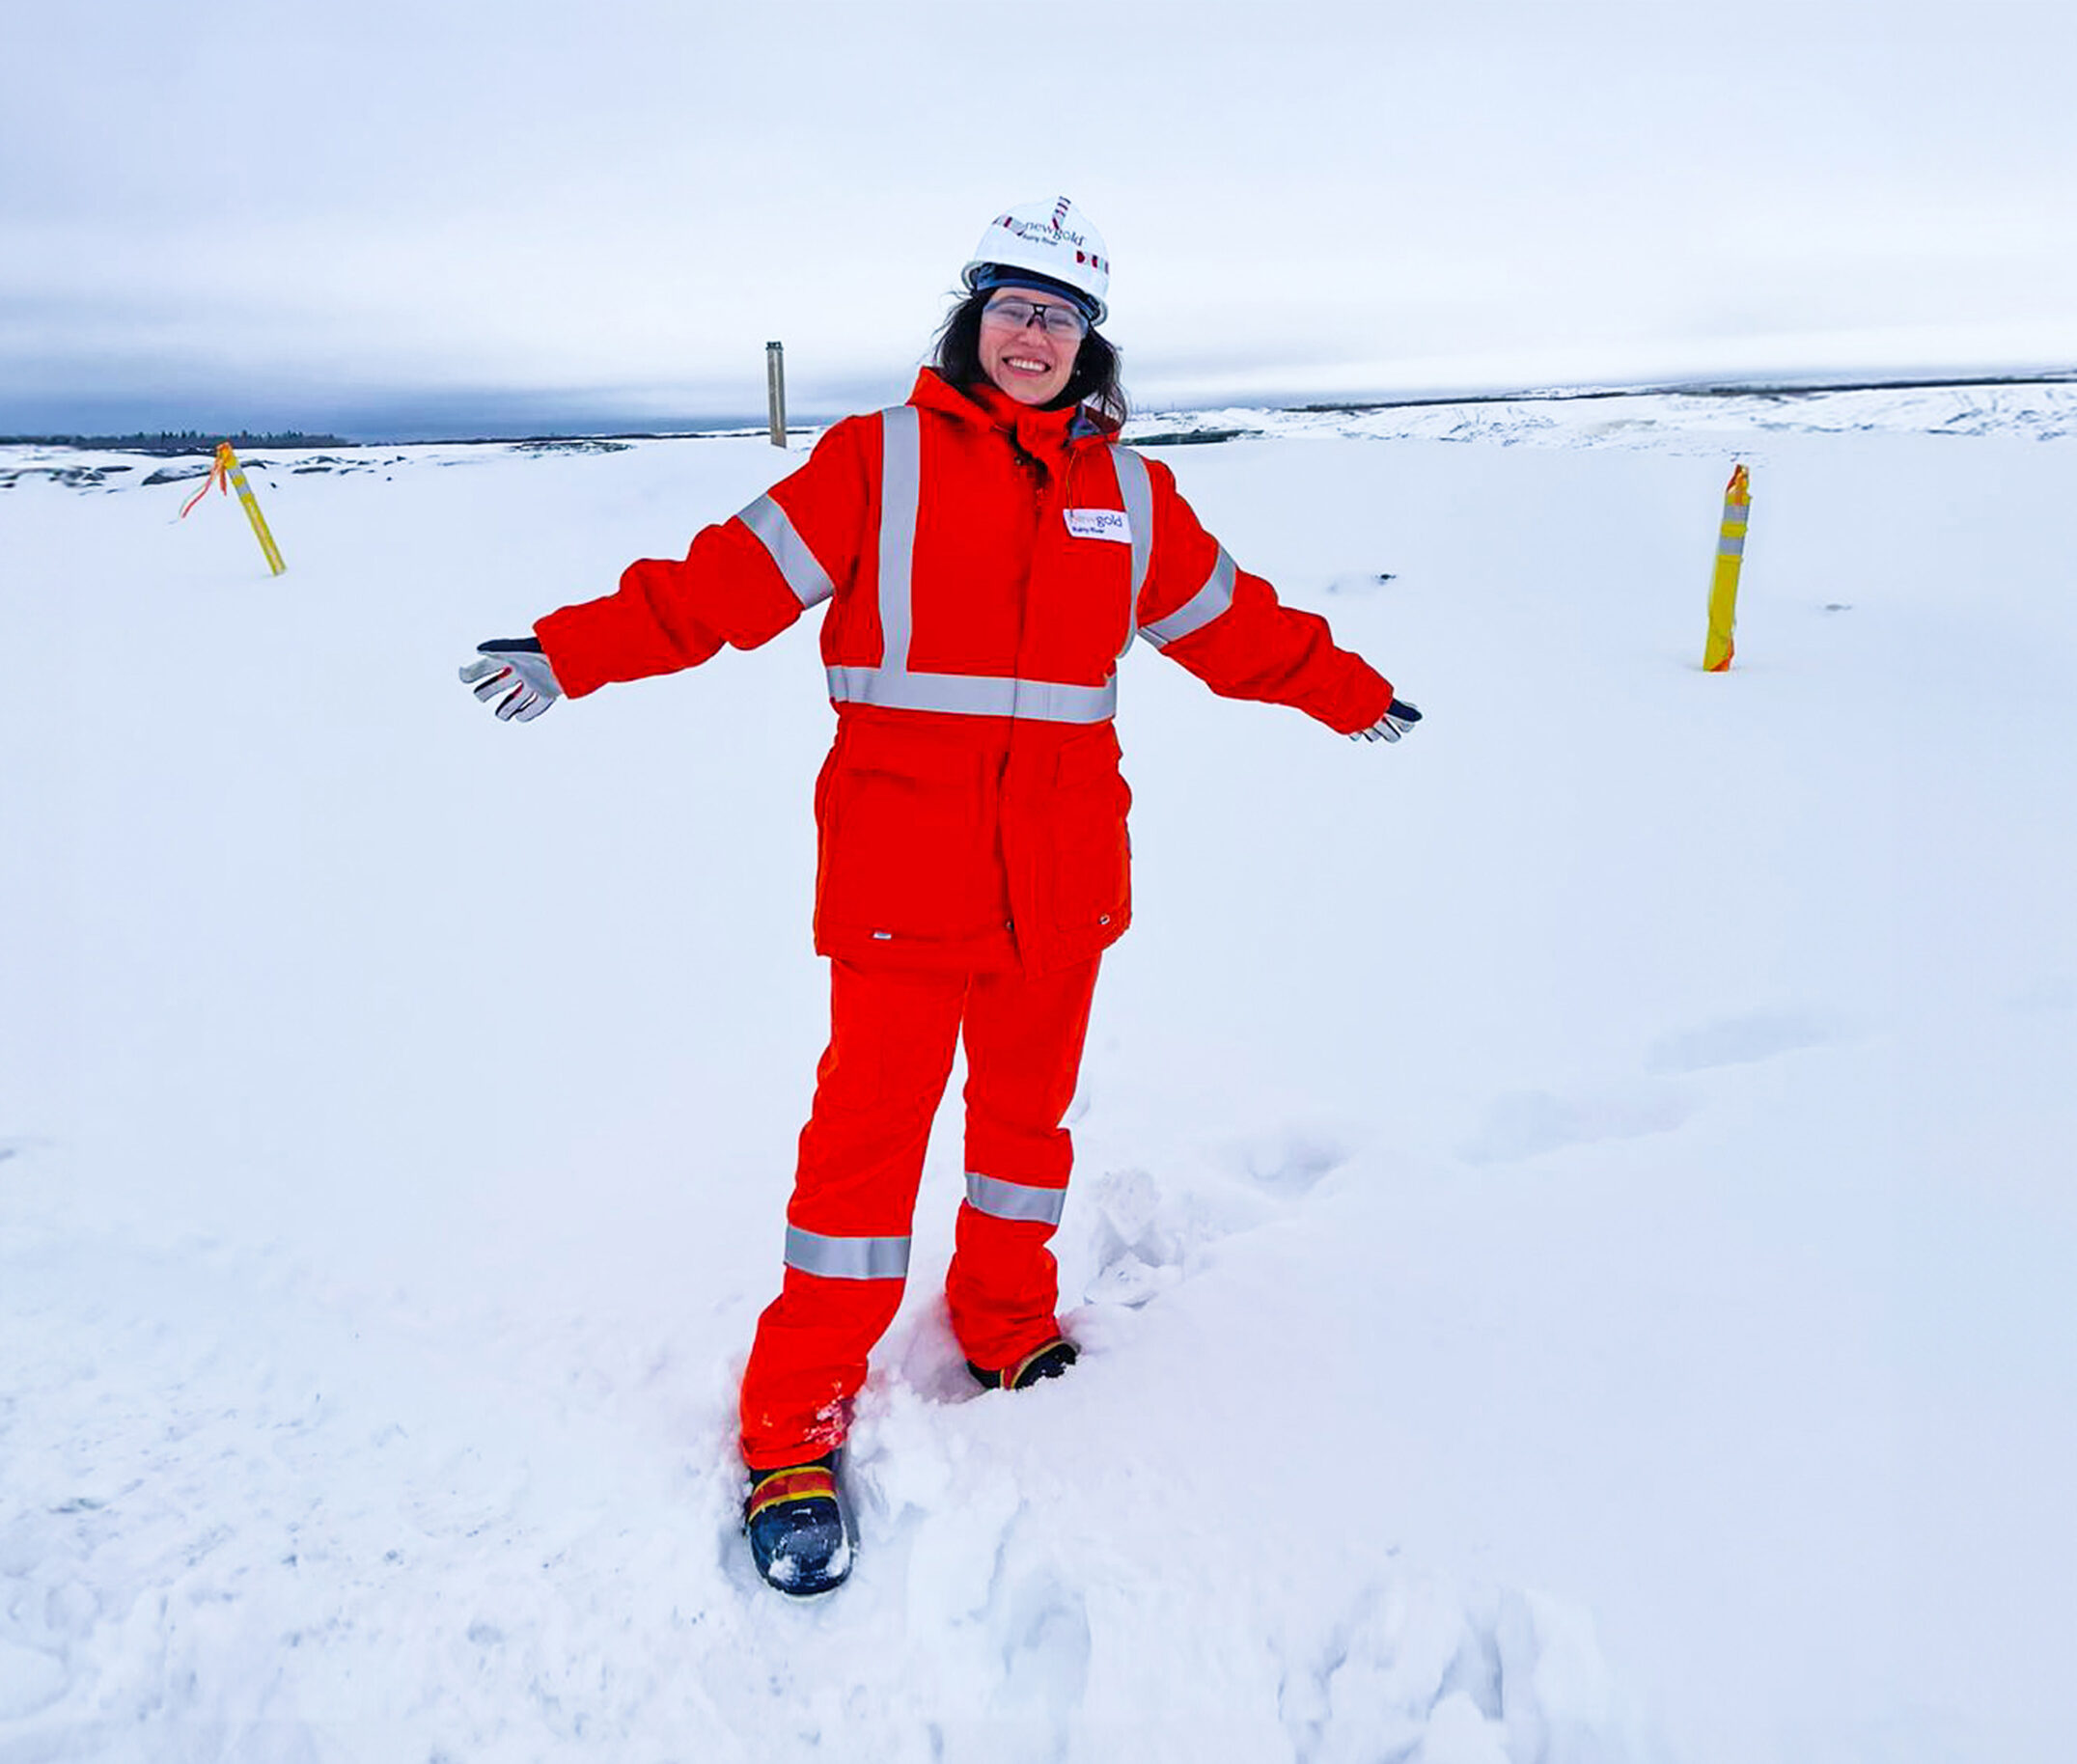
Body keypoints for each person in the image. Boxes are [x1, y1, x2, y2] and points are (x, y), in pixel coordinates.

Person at [460, 197, 1420, 1597]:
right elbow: (718, 588)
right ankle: (792, 1429)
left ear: (1092, 347)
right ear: (971, 322)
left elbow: (1233, 623)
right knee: (859, 1169)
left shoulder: (1130, 497)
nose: (1033, 336)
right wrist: (571, 651)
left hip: (1065, 887)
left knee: (1025, 1135)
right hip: (905, 885)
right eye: (1013, 309)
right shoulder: (877, 464)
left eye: (1062, 318)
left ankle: (1004, 1321)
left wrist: (1350, 694)